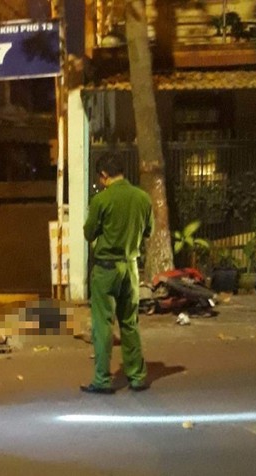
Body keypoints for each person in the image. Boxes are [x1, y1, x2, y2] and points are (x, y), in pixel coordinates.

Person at [81, 153, 153, 395]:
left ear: (104, 175)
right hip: (131, 267)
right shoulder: (143, 198)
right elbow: (148, 231)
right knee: (130, 323)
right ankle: (137, 376)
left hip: (106, 269)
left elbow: (89, 233)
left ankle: (102, 380)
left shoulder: (101, 200)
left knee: (102, 325)